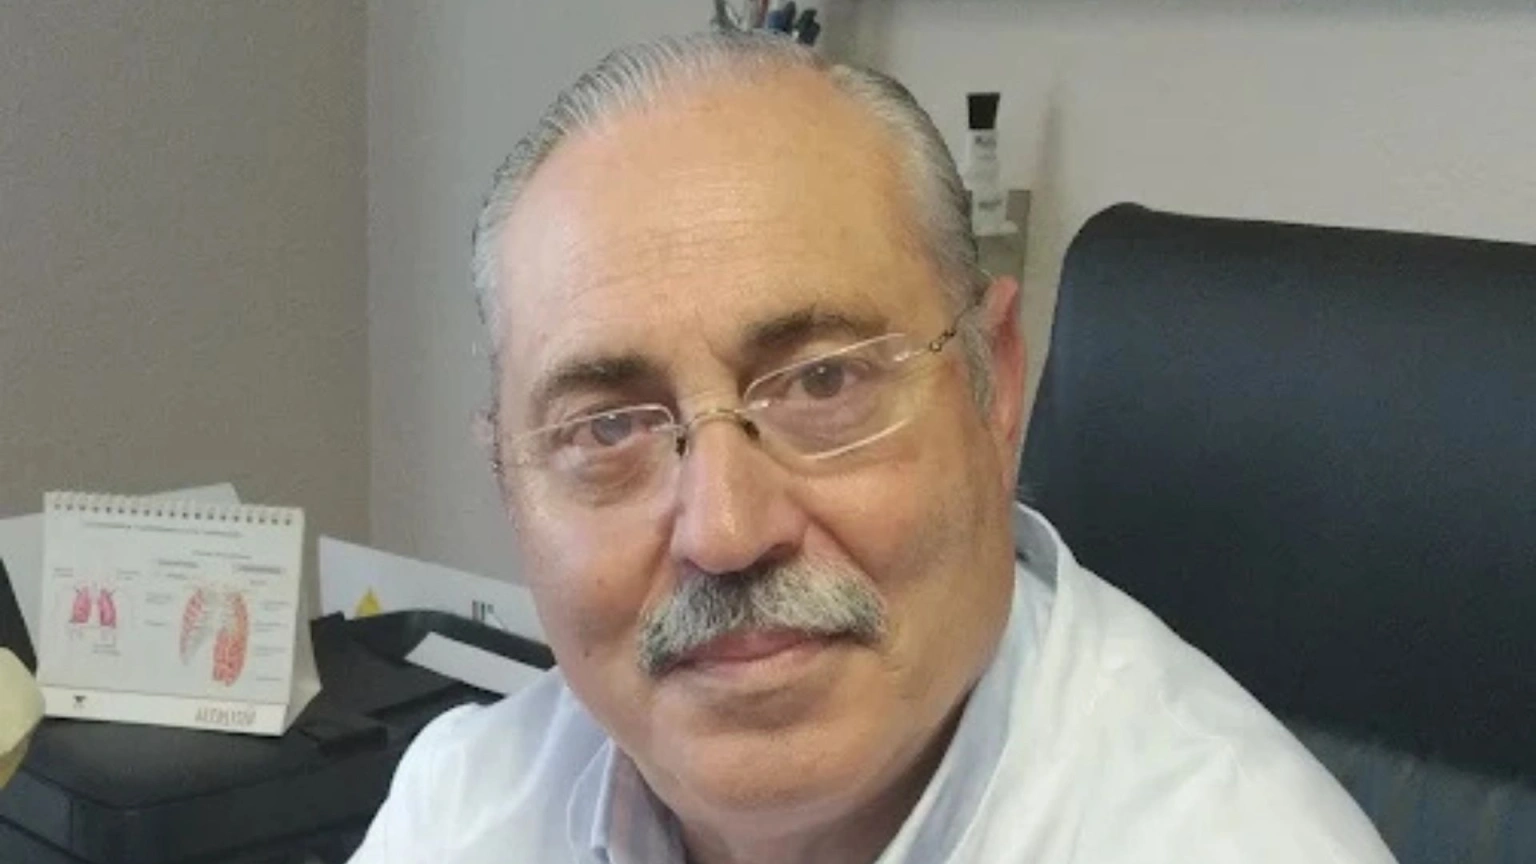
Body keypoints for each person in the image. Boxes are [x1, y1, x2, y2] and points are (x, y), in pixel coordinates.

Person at [350, 32, 1396, 864]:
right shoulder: (466, 810)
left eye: (823, 382)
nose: (725, 531)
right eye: (610, 427)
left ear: (995, 385)